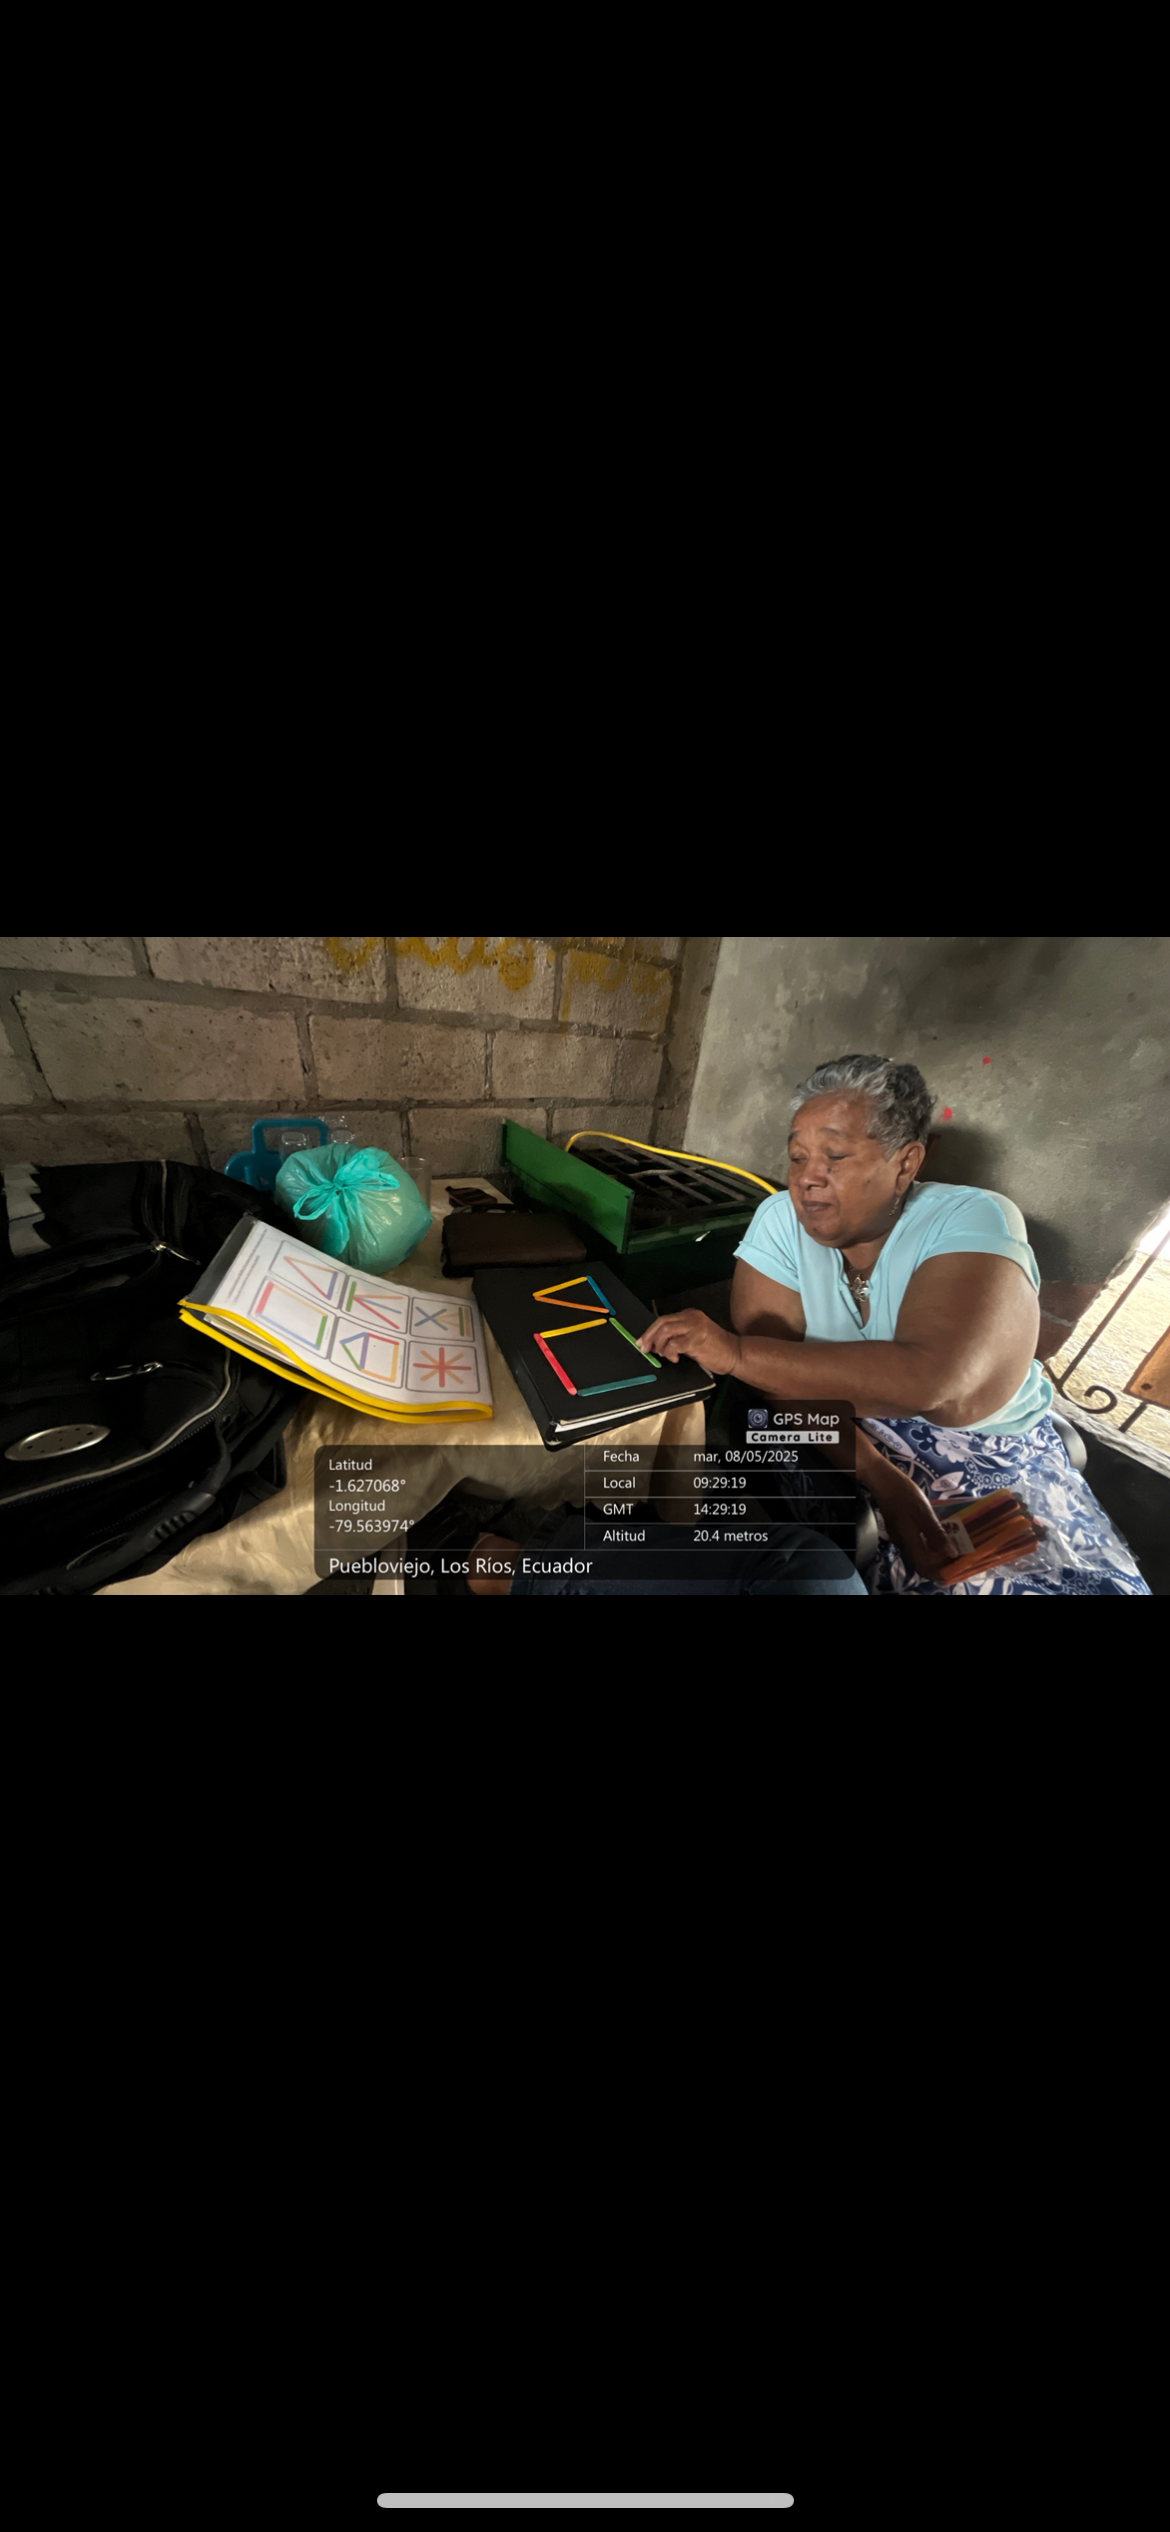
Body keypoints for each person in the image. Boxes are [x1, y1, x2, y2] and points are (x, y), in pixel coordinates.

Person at [630, 1055, 1150, 1597]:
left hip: (994, 1444)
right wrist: (885, 1482)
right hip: (845, 1436)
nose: (807, 1177)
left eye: (835, 1157)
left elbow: (934, 1382)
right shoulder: (781, 1222)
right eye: (797, 1157)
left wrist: (736, 1353)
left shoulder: (973, 1218)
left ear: (906, 1163)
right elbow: (778, 1385)